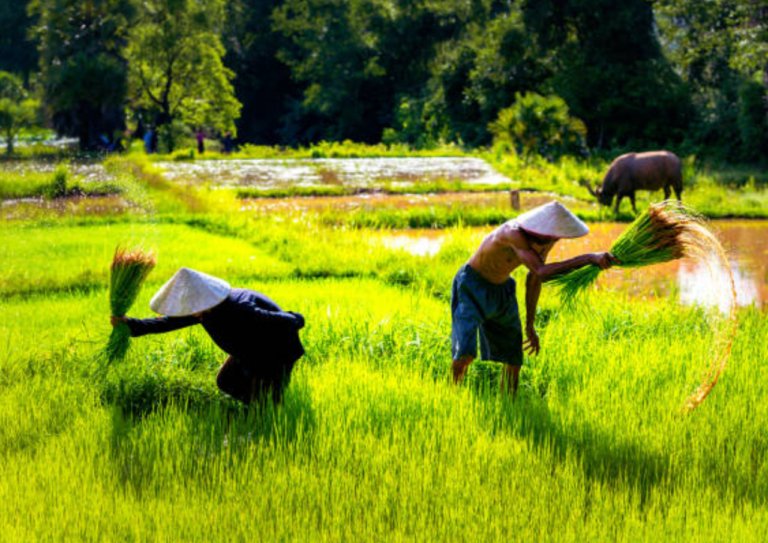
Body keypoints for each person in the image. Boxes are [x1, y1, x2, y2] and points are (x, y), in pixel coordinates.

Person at [451, 201, 618, 393]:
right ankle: (452, 394)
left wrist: (530, 325)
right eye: (552, 235)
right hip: (472, 285)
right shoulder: (512, 233)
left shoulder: (545, 243)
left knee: (513, 358)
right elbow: (542, 271)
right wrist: (589, 258)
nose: (554, 240)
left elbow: (534, 280)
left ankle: (509, 403)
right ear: (541, 229)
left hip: (503, 289)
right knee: (465, 353)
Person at [111, 268, 306, 404]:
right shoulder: (203, 310)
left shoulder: (241, 308)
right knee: (227, 381)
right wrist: (130, 325)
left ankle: (268, 418)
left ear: (203, 300)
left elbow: (284, 321)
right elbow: (168, 322)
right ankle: (255, 409)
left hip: (275, 350)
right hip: (248, 348)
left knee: (267, 402)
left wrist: (296, 318)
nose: (190, 312)